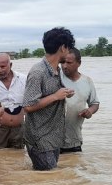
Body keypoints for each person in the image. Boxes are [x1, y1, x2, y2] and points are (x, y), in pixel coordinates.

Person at [23, 27, 76, 170]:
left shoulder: (56, 70)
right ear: (63, 48)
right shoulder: (38, 72)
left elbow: (54, 94)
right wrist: (55, 96)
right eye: (69, 48)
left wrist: (64, 94)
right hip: (40, 138)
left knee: (49, 182)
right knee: (46, 180)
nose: (70, 52)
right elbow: (28, 106)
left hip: (53, 136)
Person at [60, 48, 100, 153]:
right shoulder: (55, 78)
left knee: (74, 167)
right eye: (62, 62)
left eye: (69, 62)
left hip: (74, 140)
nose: (64, 66)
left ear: (79, 63)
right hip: (52, 142)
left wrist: (89, 111)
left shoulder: (87, 81)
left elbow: (95, 103)